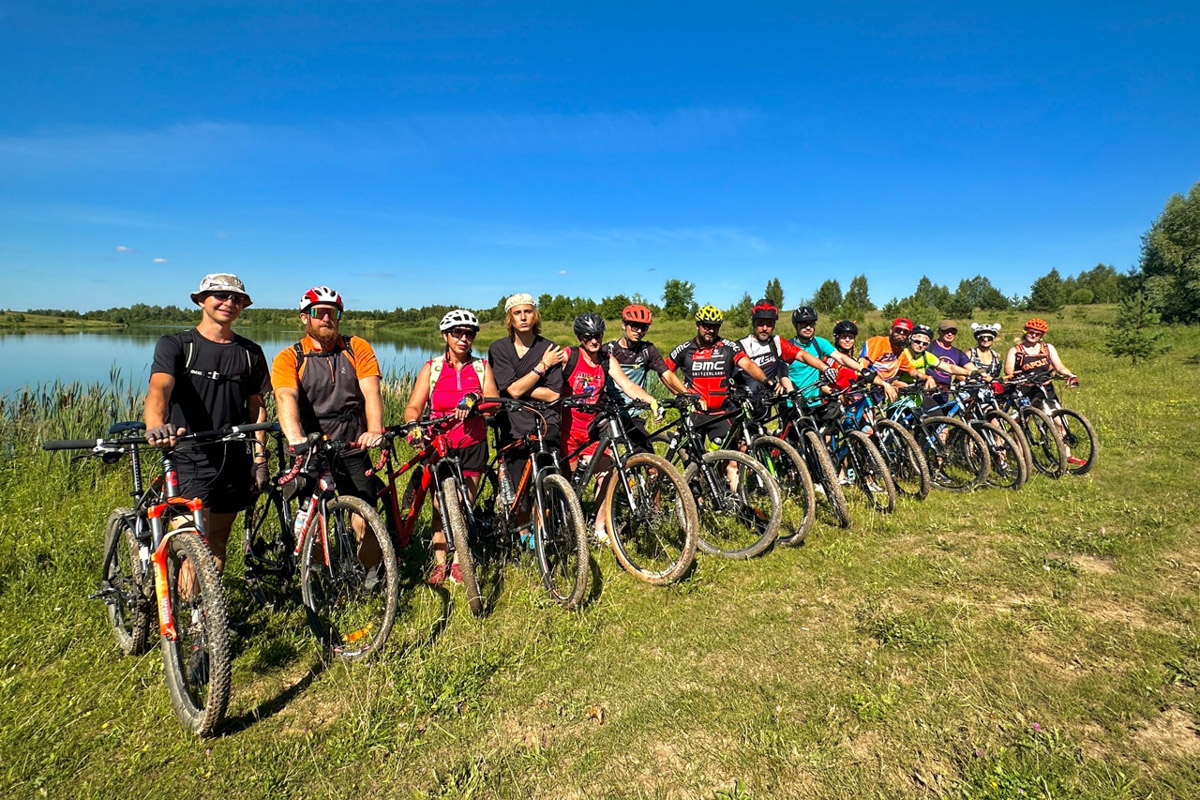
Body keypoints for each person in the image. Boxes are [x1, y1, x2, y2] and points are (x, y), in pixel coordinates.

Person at [145, 273, 271, 573]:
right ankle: (179, 611)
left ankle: (206, 615)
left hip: (233, 459)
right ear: (201, 300)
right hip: (188, 456)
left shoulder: (250, 352)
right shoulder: (177, 344)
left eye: (237, 299)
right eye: (221, 296)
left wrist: (260, 457)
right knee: (191, 544)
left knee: (217, 540)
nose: (229, 303)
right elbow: (159, 390)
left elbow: (257, 408)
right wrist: (155, 425)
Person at [271, 286, 388, 552]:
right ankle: (311, 574)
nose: (326, 318)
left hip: (352, 444)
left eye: (332, 313)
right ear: (304, 317)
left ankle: (370, 577)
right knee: (308, 524)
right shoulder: (290, 357)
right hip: (310, 446)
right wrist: (295, 437)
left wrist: (374, 430)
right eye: (318, 312)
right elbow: (285, 397)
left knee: (366, 517)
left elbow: (371, 391)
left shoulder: (356, 348)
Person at [402, 309, 499, 585]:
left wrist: (476, 398)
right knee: (439, 505)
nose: (463, 338)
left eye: (469, 334)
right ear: (446, 336)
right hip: (440, 446)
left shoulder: (481, 367)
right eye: (457, 333)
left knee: (464, 503)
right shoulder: (431, 368)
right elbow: (413, 407)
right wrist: (413, 425)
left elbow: (493, 405)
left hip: (473, 444)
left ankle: (460, 562)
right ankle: (440, 562)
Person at [560, 312, 662, 541]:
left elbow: (626, 384)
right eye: (588, 337)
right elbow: (546, 375)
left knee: (606, 475)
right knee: (571, 482)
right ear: (579, 337)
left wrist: (651, 401)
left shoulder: (606, 358)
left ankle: (599, 528)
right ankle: (568, 523)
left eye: (597, 335)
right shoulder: (569, 356)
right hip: (568, 429)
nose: (594, 341)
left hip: (593, 428)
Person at [487, 293, 566, 498]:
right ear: (510, 319)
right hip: (512, 422)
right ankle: (521, 528)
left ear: (535, 316)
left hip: (544, 420)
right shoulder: (499, 348)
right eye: (517, 313)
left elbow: (552, 394)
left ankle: (548, 525)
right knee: (517, 490)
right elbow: (511, 391)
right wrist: (543, 366)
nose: (523, 317)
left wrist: (519, 386)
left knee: (550, 482)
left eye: (528, 312)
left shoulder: (550, 348)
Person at [664, 305, 773, 447]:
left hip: (720, 413)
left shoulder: (728, 347)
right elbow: (664, 371)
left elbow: (748, 364)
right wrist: (681, 394)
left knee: (730, 460)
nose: (711, 330)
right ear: (698, 325)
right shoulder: (685, 349)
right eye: (706, 326)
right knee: (694, 461)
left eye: (715, 326)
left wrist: (766, 381)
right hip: (695, 413)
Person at [600, 303, 688, 449]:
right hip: (610, 412)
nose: (639, 331)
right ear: (624, 325)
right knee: (604, 458)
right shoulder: (608, 350)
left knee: (649, 459)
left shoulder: (647, 350)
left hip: (632, 413)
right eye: (634, 326)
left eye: (644, 327)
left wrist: (686, 393)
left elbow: (666, 374)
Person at [1003, 317, 1082, 464]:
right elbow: (1009, 370)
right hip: (1024, 390)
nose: (1033, 335)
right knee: (1020, 423)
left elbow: (1059, 367)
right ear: (1025, 332)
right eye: (1031, 332)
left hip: (1045, 389)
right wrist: (1018, 378)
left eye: (1037, 334)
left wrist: (1070, 375)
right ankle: (1022, 459)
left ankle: (1067, 455)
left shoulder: (1047, 348)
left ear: (1041, 335)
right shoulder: (1016, 350)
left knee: (1060, 421)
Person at [786, 306, 872, 400]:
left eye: (811, 324)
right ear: (795, 325)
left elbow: (841, 358)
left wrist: (863, 370)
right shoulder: (787, 347)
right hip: (793, 401)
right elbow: (781, 372)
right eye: (803, 324)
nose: (808, 328)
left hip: (815, 401)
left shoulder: (820, 343)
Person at [860, 317, 928, 387]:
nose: (901, 333)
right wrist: (885, 384)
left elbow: (912, 371)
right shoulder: (878, 342)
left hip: (884, 388)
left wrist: (928, 378)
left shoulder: (901, 353)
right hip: (868, 386)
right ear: (891, 330)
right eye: (898, 330)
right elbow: (862, 368)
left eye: (905, 331)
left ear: (909, 335)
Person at [927, 319, 981, 387]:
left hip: (945, 392)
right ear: (939, 331)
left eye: (953, 332)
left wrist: (990, 379)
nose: (950, 334)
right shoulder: (929, 348)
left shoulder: (958, 353)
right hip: (927, 389)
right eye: (946, 331)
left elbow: (973, 369)